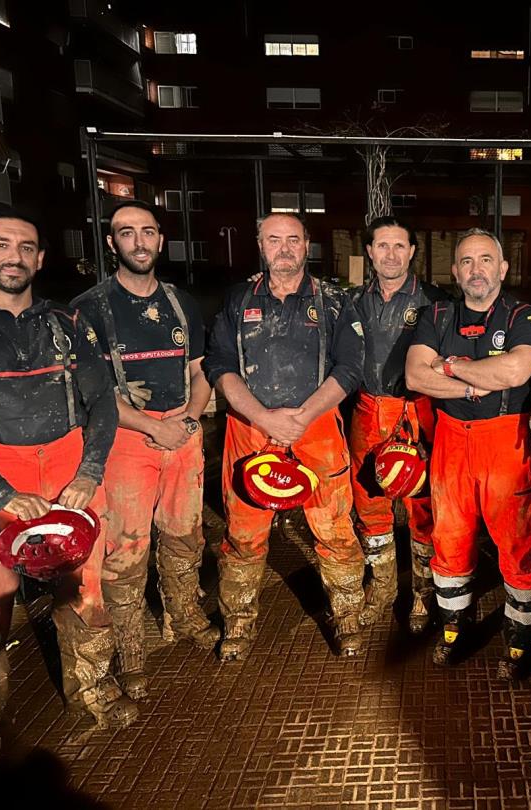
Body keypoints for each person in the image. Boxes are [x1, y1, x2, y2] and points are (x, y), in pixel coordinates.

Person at [0, 206, 136, 764]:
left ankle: (93, 688)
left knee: (84, 590)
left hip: (68, 470)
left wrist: (90, 471)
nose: (14, 257)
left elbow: (102, 402)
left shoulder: (67, 322)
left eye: (26, 247)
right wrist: (1, 494)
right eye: (1, 244)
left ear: (40, 258)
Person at [203, 212, 366, 660]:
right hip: (250, 429)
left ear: (307, 244)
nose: (285, 248)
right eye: (274, 239)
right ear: (261, 245)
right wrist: (262, 417)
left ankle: (348, 616)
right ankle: (238, 624)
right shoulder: (237, 300)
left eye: (293, 239)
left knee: (334, 528)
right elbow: (219, 365)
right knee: (244, 532)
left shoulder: (334, 302)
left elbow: (350, 367)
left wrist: (304, 415)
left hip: (316, 428)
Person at [72, 200, 218, 701]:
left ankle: (184, 613)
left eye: (148, 231)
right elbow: (94, 391)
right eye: (127, 232)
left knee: (184, 535)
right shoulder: (89, 308)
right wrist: (151, 427)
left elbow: (200, 370)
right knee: (126, 549)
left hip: (182, 432)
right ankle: (131, 648)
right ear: (111, 242)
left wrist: (189, 420)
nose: (139, 241)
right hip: (126, 438)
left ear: (160, 239)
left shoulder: (181, 302)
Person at [405, 228, 531, 679]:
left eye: (486, 260)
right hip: (450, 439)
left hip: (506, 440)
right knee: (449, 537)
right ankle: (454, 626)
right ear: (455, 271)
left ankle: (523, 636)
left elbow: (516, 369)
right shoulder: (437, 315)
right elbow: (415, 376)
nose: (476, 269)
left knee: (516, 541)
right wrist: (471, 383)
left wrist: (447, 366)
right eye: (466, 261)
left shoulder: (523, 315)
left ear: (503, 268)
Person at [347, 216, 447, 633]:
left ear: (412, 252)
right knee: (368, 498)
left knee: (423, 502)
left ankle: (423, 592)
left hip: (417, 410)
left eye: (399, 246)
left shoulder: (436, 301)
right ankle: (383, 585)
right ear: (369, 252)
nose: (391, 254)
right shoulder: (351, 301)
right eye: (382, 246)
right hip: (367, 409)